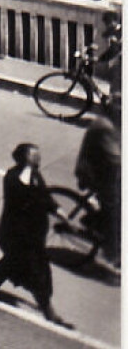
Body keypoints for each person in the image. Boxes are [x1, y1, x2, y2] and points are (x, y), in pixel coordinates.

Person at [0, 144, 72, 328]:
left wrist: (58, 210)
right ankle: (49, 311)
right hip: (17, 235)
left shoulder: (34, 176)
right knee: (37, 273)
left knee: (10, 264)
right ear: (24, 158)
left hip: (32, 236)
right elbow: (23, 197)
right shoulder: (12, 178)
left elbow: (44, 197)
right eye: (34, 156)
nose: (38, 159)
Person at [76, 99, 121, 271]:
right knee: (116, 208)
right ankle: (112, 252)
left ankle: (97, 219)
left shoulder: (115, 124)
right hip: (95, 174)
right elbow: (115, 158)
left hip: (110, 173)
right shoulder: (104, 127)